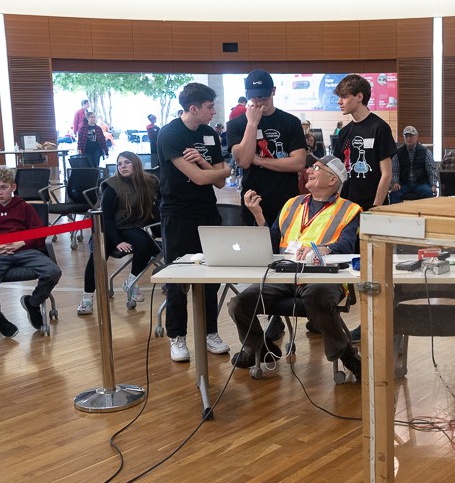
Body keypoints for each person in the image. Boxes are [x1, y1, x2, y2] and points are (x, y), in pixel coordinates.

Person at [228, 155, 362, 379]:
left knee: (318, 299)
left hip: (322, 276)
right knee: (239, 304)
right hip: (283, 274)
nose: (309, 170)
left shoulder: (350, 210)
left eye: (317, 168)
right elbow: (271, 241)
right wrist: (258, 215)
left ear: (332, 180)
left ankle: (347, 354)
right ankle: (262, 349)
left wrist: (322, 250)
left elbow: (346, 245)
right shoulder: (292, 203)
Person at [157, 82, 231, 361]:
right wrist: (213, 169)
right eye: (210, 107)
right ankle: (177, 336)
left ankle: (210, 331)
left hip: (207, 212)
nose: (214, 111)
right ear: (194, 108)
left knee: (211, 277)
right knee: (178, 278)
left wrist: (202, 161)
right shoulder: (171, 134)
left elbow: (222, 181)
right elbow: (205, 178)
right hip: (177, 214)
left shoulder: (210, 134)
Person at [0, 166, 63, 338]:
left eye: (3, 187)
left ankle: (33, 303)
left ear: (13, 187)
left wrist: (19, 243)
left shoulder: (25, 207)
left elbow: (39, 233)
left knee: (53, 271)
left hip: (25, 251)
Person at [78, 151, 160, 315]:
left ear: (136, 164)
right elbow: (107, 219)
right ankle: (87, 298)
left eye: (127, 162)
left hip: (128, 225)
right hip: (106, 228)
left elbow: (154, 209)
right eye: (119, 164)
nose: (122, 166)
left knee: (146, 244)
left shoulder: (149, 182)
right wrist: (117, 242)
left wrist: (160, 233)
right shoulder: (112, 186)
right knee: (97, 260)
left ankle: (131, 282)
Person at [225, 68, 308, 227]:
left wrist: (259, 160)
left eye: (264, 96)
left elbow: (298, 163)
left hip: (286, 200)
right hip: (253, 199)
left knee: (286, 247)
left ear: (273, 91)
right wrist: (252, 123)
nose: (260, 102)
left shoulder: (291, 122)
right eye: (255, 97)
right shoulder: (237, 124)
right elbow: (243, 161)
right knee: (255, 248)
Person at [331, 74, 395, 209]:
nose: (339, 102)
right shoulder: (343, 132)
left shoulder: (380, 128)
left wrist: (376, 208)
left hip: (372, 204)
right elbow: (338, 171)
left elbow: (387, 174)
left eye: (344, 96)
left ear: (359, 97)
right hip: (347, 205)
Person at [389, 125, 437, 202]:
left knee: (429, 193)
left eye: (411, 136)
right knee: (394, 194)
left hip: (421, 183)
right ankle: (395, 213)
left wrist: (433, 185)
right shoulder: (397, 153)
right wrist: (396, 182)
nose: (409, 138)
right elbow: (394, 171)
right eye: (406, 136)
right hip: (404, 184)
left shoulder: (426, 152)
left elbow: (431, 170)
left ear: (416, 137)